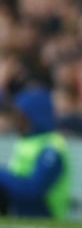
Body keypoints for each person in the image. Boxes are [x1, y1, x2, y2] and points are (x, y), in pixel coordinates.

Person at [0, 88, 71, 219]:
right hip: (20, 210)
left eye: (20, 115)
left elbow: (34, 190)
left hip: (46, 214)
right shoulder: (26, 141)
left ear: (34, 115)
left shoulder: (52, 147)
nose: (15, 120)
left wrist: (1, 175)